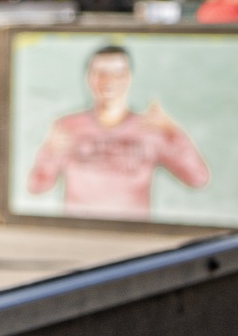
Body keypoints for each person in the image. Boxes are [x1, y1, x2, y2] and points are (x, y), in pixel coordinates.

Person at [26, 44, 208, 219]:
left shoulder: (149, 129)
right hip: (79, 233)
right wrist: (50, 152)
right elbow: (36, 186)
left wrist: (173, 132)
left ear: (129, 78)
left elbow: (197, 179)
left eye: (118, 73)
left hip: (133, 235)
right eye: (100, 73)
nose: (109, 80)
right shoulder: (67, 126)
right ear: (88, 78)